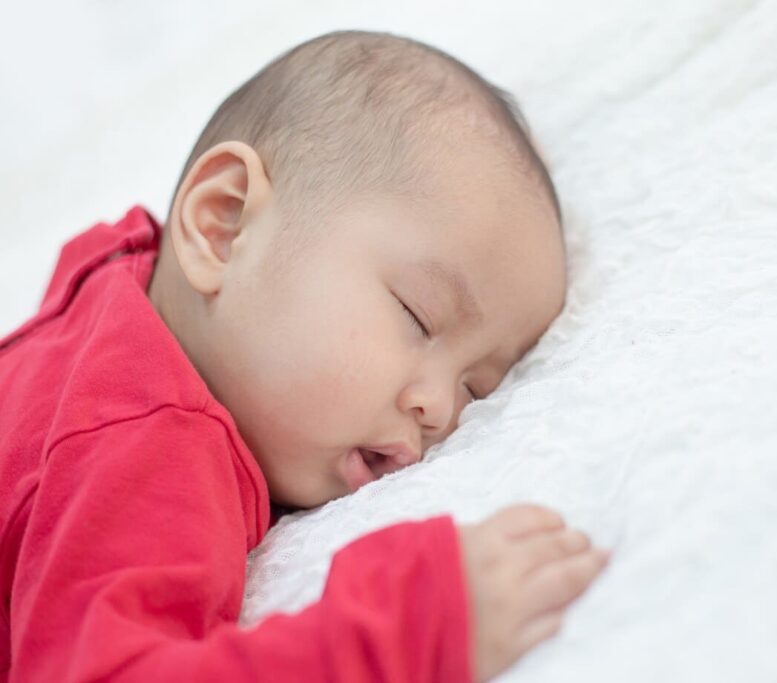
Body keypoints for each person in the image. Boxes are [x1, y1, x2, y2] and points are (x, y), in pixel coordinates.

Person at [0, 30, 609, 682]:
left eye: (476, 387)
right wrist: (397, 629)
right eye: (418, 315)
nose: (439, 408)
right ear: (224, 224)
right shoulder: (144, 442)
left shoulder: (109, 298)